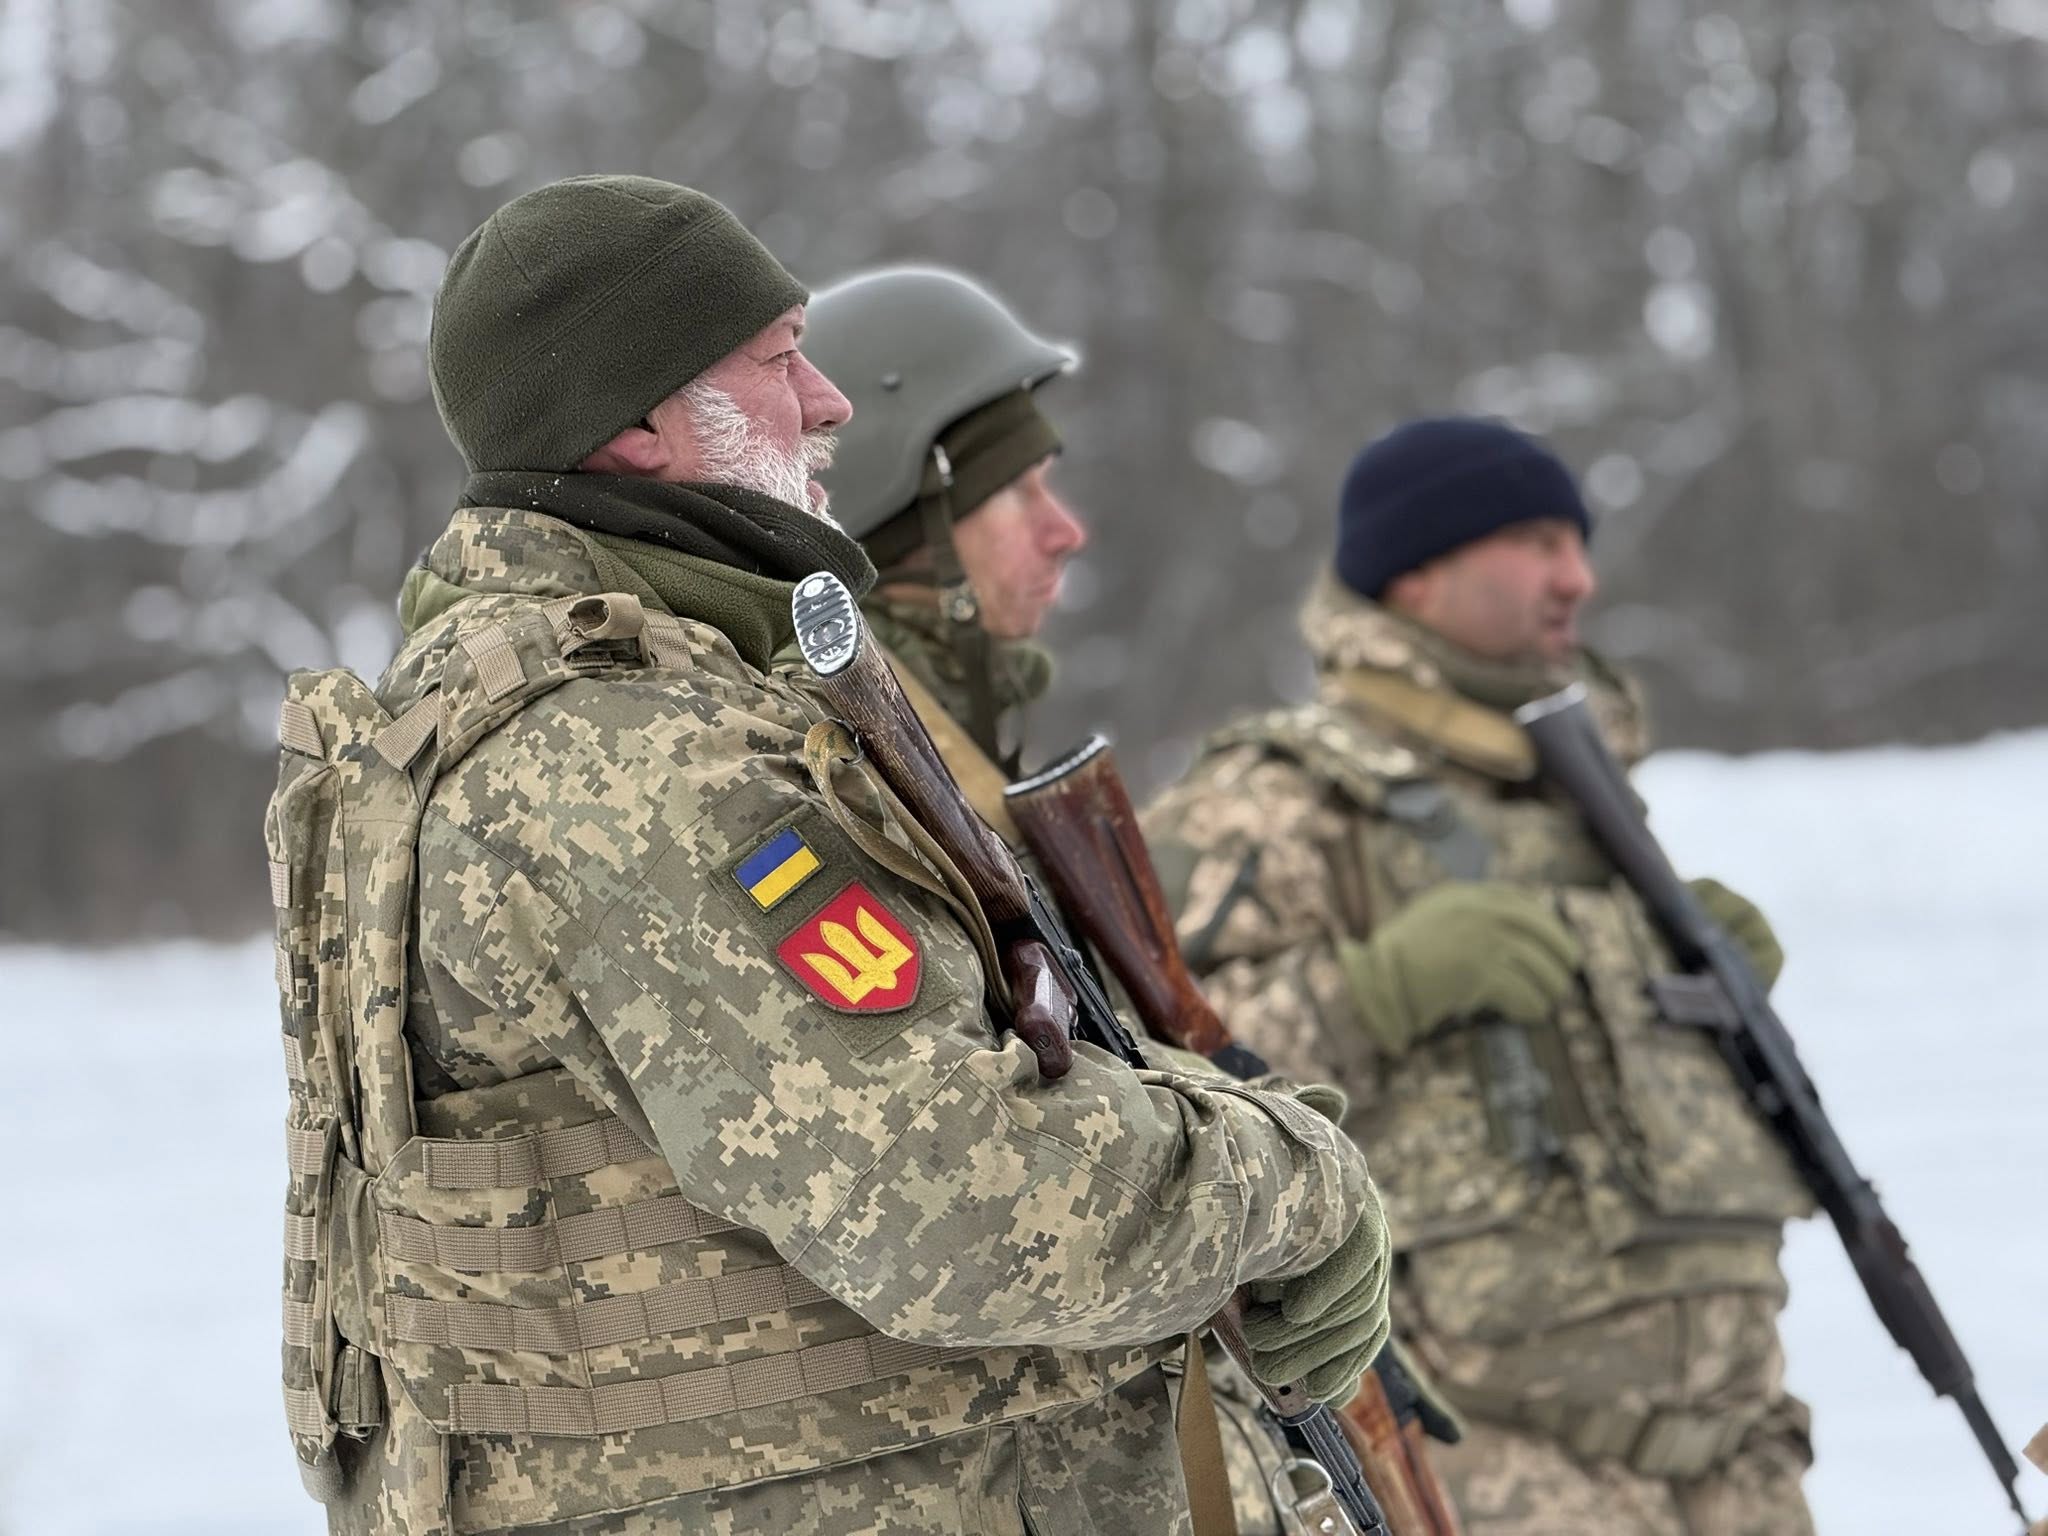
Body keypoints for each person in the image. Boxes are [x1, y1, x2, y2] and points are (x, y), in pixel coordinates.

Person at [261, 174, 1389, 1536]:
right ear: (634, 424)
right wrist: (1297, 1183)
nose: (833, 400)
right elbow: (963, 1204)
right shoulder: (628, 759)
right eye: (781, 359)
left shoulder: (542, 713)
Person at [1145, 416, 1818, 1536]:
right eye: (1538, 541)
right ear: (1416, 570)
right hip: (1491, 1469)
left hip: (1734, 1459)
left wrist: (1699, 975)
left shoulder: (1577, 788)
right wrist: (1376, 989)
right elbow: (1162, 1075)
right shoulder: (1279, 797)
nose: (1577, 578)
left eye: (1579, 543)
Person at [799, 264, 1087, 776]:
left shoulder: (947, 724)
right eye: (1016, 493)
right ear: (902, 528)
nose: (1066, 534)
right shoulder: (849, 759)